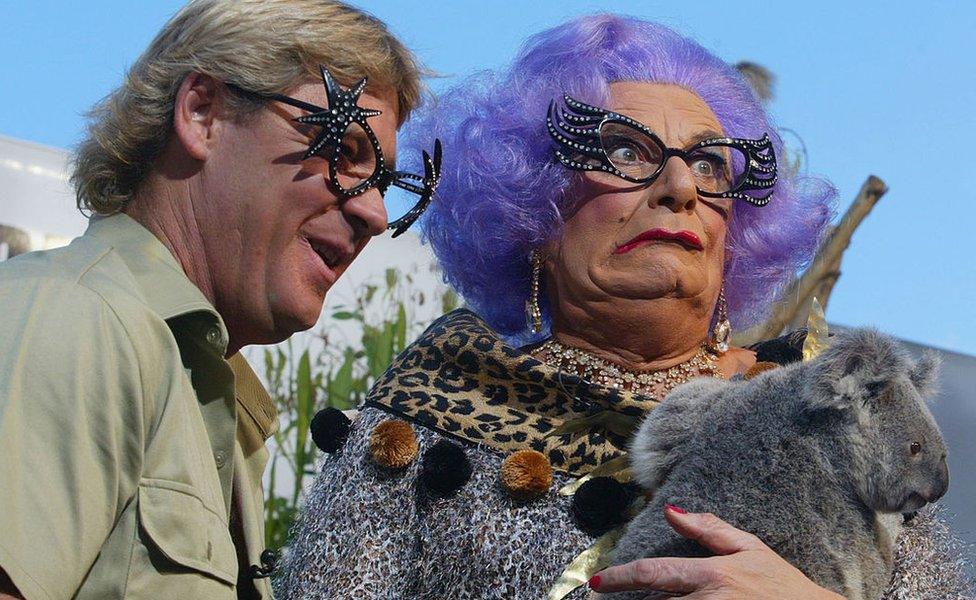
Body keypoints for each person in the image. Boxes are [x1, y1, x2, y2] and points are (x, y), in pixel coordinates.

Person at [275, 14, 974, 600]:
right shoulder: (426, 413)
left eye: (710, 164)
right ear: (532, 212)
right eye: (621, 150)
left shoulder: (833, 413)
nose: (679, 185)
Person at [0, 1, 440, 598]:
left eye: (386, 182)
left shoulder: (210, 393)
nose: (374, 212)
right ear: (203, 113)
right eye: (341, 149)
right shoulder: (80, 319)